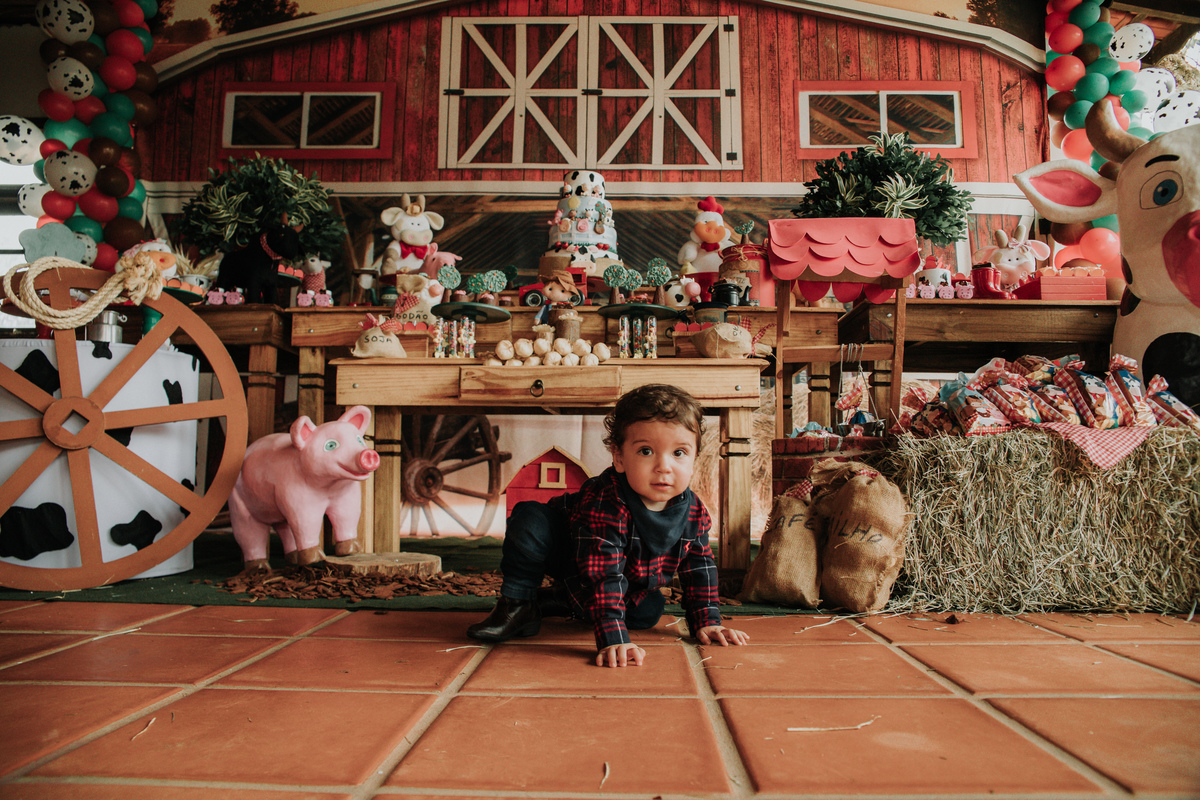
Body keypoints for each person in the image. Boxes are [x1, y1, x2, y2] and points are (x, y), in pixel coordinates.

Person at [467, 384, 750, 667]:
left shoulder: (694, 511)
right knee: (530, 520)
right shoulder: (607, 501)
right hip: (571, 556)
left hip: (617, 577)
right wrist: (613, 636)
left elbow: (699, 567)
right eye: (646, 451)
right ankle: (517, 604)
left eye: (679, 453)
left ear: (694, 458)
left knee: (648, 612)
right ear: (619, 457)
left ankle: (558, 601)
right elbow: (603, 573)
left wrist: (707, 620)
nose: (664, 466)